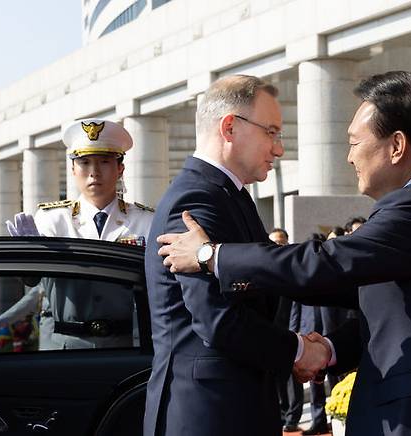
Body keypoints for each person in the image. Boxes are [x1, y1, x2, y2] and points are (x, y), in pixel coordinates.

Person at [157, 71, 411, 436]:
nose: (349, 157)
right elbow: (388, 302)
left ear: (396, 146)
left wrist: (213, 256)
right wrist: (329, 348)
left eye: (355, 143)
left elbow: (329, 264)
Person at [142, 75, 330, 436]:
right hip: (208, 415)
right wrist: (297, 350)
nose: (278, 149)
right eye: (271, 132)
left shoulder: (227, 195)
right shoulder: (196, 200)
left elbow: (266, 276)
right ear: (230, 127)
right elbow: (217, 319)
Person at [0, 119, 153, 349]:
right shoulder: (53, 218)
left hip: (126, 344)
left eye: (104, 162)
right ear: (73, 169)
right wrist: (31, 256)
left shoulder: (145, 220)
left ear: (120, 168)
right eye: (84, 162)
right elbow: (35, 283)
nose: (94, 172)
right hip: (63, 347)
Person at [269, 228, 305, 434]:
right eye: (274, 242)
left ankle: (293, 416)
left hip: (293, 333)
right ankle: (283, 414)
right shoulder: (265, 269)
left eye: (281, 242)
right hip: (273, 334)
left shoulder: (292, 267)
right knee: (277, 380)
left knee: (294, 380)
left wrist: (294, 332)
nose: (278, 246)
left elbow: (298, 305)